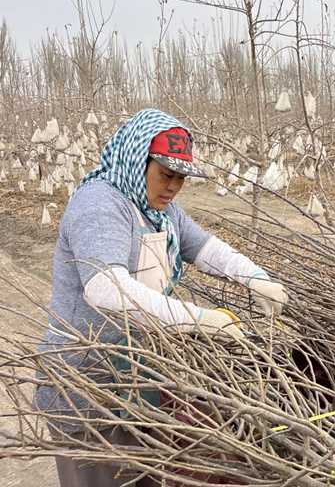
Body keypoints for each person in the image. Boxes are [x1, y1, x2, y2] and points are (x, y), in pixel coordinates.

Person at [34, 109, 288, 487]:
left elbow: (204, 247)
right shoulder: (100, 204)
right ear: (137, 161)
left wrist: (254, 278)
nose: (173, 186)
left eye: (181, 178)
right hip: (87, 384)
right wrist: (200, 319)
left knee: (147, 473)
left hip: (137, 376)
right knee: (102, 476)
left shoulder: (157, 211)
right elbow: (105, 286)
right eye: (166, 174)